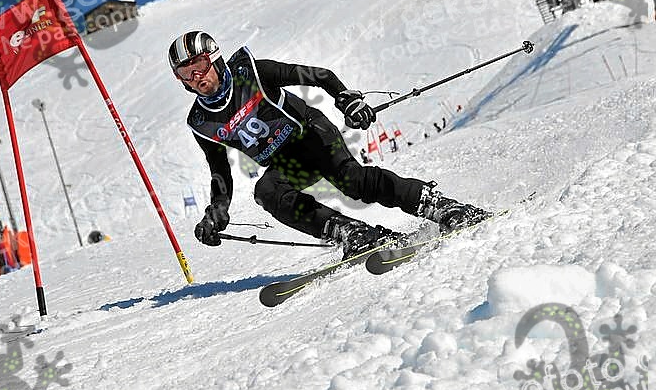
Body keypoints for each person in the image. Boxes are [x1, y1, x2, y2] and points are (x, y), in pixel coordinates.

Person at [169, 31, 490, 257]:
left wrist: (347, 100)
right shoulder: (202, 122)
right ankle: (352, 233)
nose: (197, 77)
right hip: (287, 162)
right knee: (267, 191)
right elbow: (219, 172)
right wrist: (217, 210)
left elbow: (319, 75)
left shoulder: (251, 72)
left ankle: (440, 206)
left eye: (200, 66)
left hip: (311, 134)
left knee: (353, 182)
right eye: (186, 73)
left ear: (215, 59)